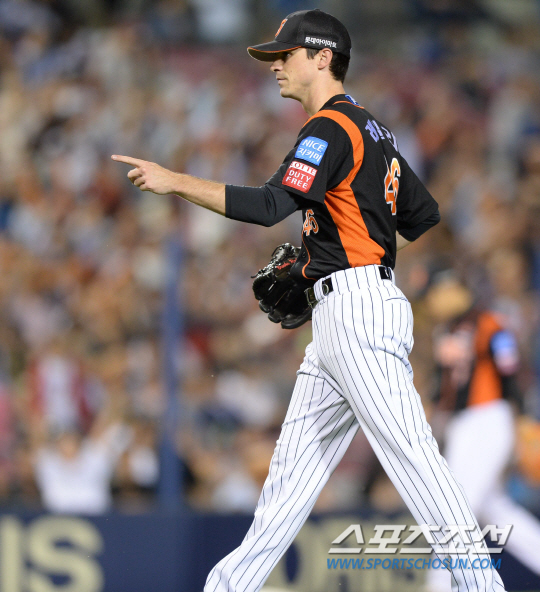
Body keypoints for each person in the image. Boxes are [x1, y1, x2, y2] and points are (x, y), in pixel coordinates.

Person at [112, 9, 505, 592]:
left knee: (415, 462)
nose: (275, 65)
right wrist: (335, 243)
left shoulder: (329, 128)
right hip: (348, 307)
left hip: (356, 309)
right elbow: (422, 215)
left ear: (323, 58)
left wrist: (175, 181)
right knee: (286, 489)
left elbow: (272, 205)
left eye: (285, 54)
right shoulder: (375, 131)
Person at [425, 274, 540, 592]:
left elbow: (511, 373)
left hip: (489, 418)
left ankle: (439, 585)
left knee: (455, 507)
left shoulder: (490, 323)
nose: (433, 302)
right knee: (497, 512)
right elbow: (442, 387)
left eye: (436, 293)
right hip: (464, 425)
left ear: (455, 290)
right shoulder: (446, 331)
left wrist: (521, 420)